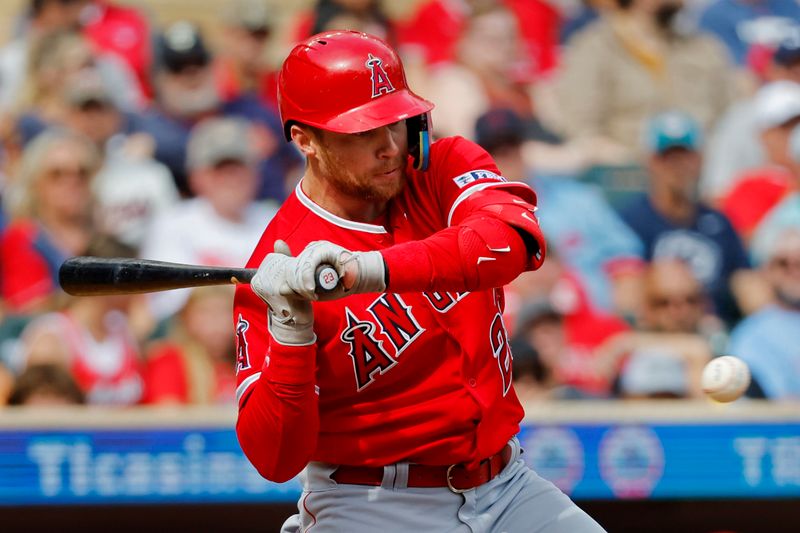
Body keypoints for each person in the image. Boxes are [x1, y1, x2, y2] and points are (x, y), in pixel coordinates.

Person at [234, 31, 605, 532]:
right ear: (304, 139)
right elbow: (273, 459)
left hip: (508, 485)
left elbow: (513, 242)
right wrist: (290, 336)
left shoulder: (443, 168)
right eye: (363, 131)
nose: (389, 147)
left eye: (396, 121)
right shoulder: (276, 263)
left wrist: (368, 271)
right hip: (371, 504)